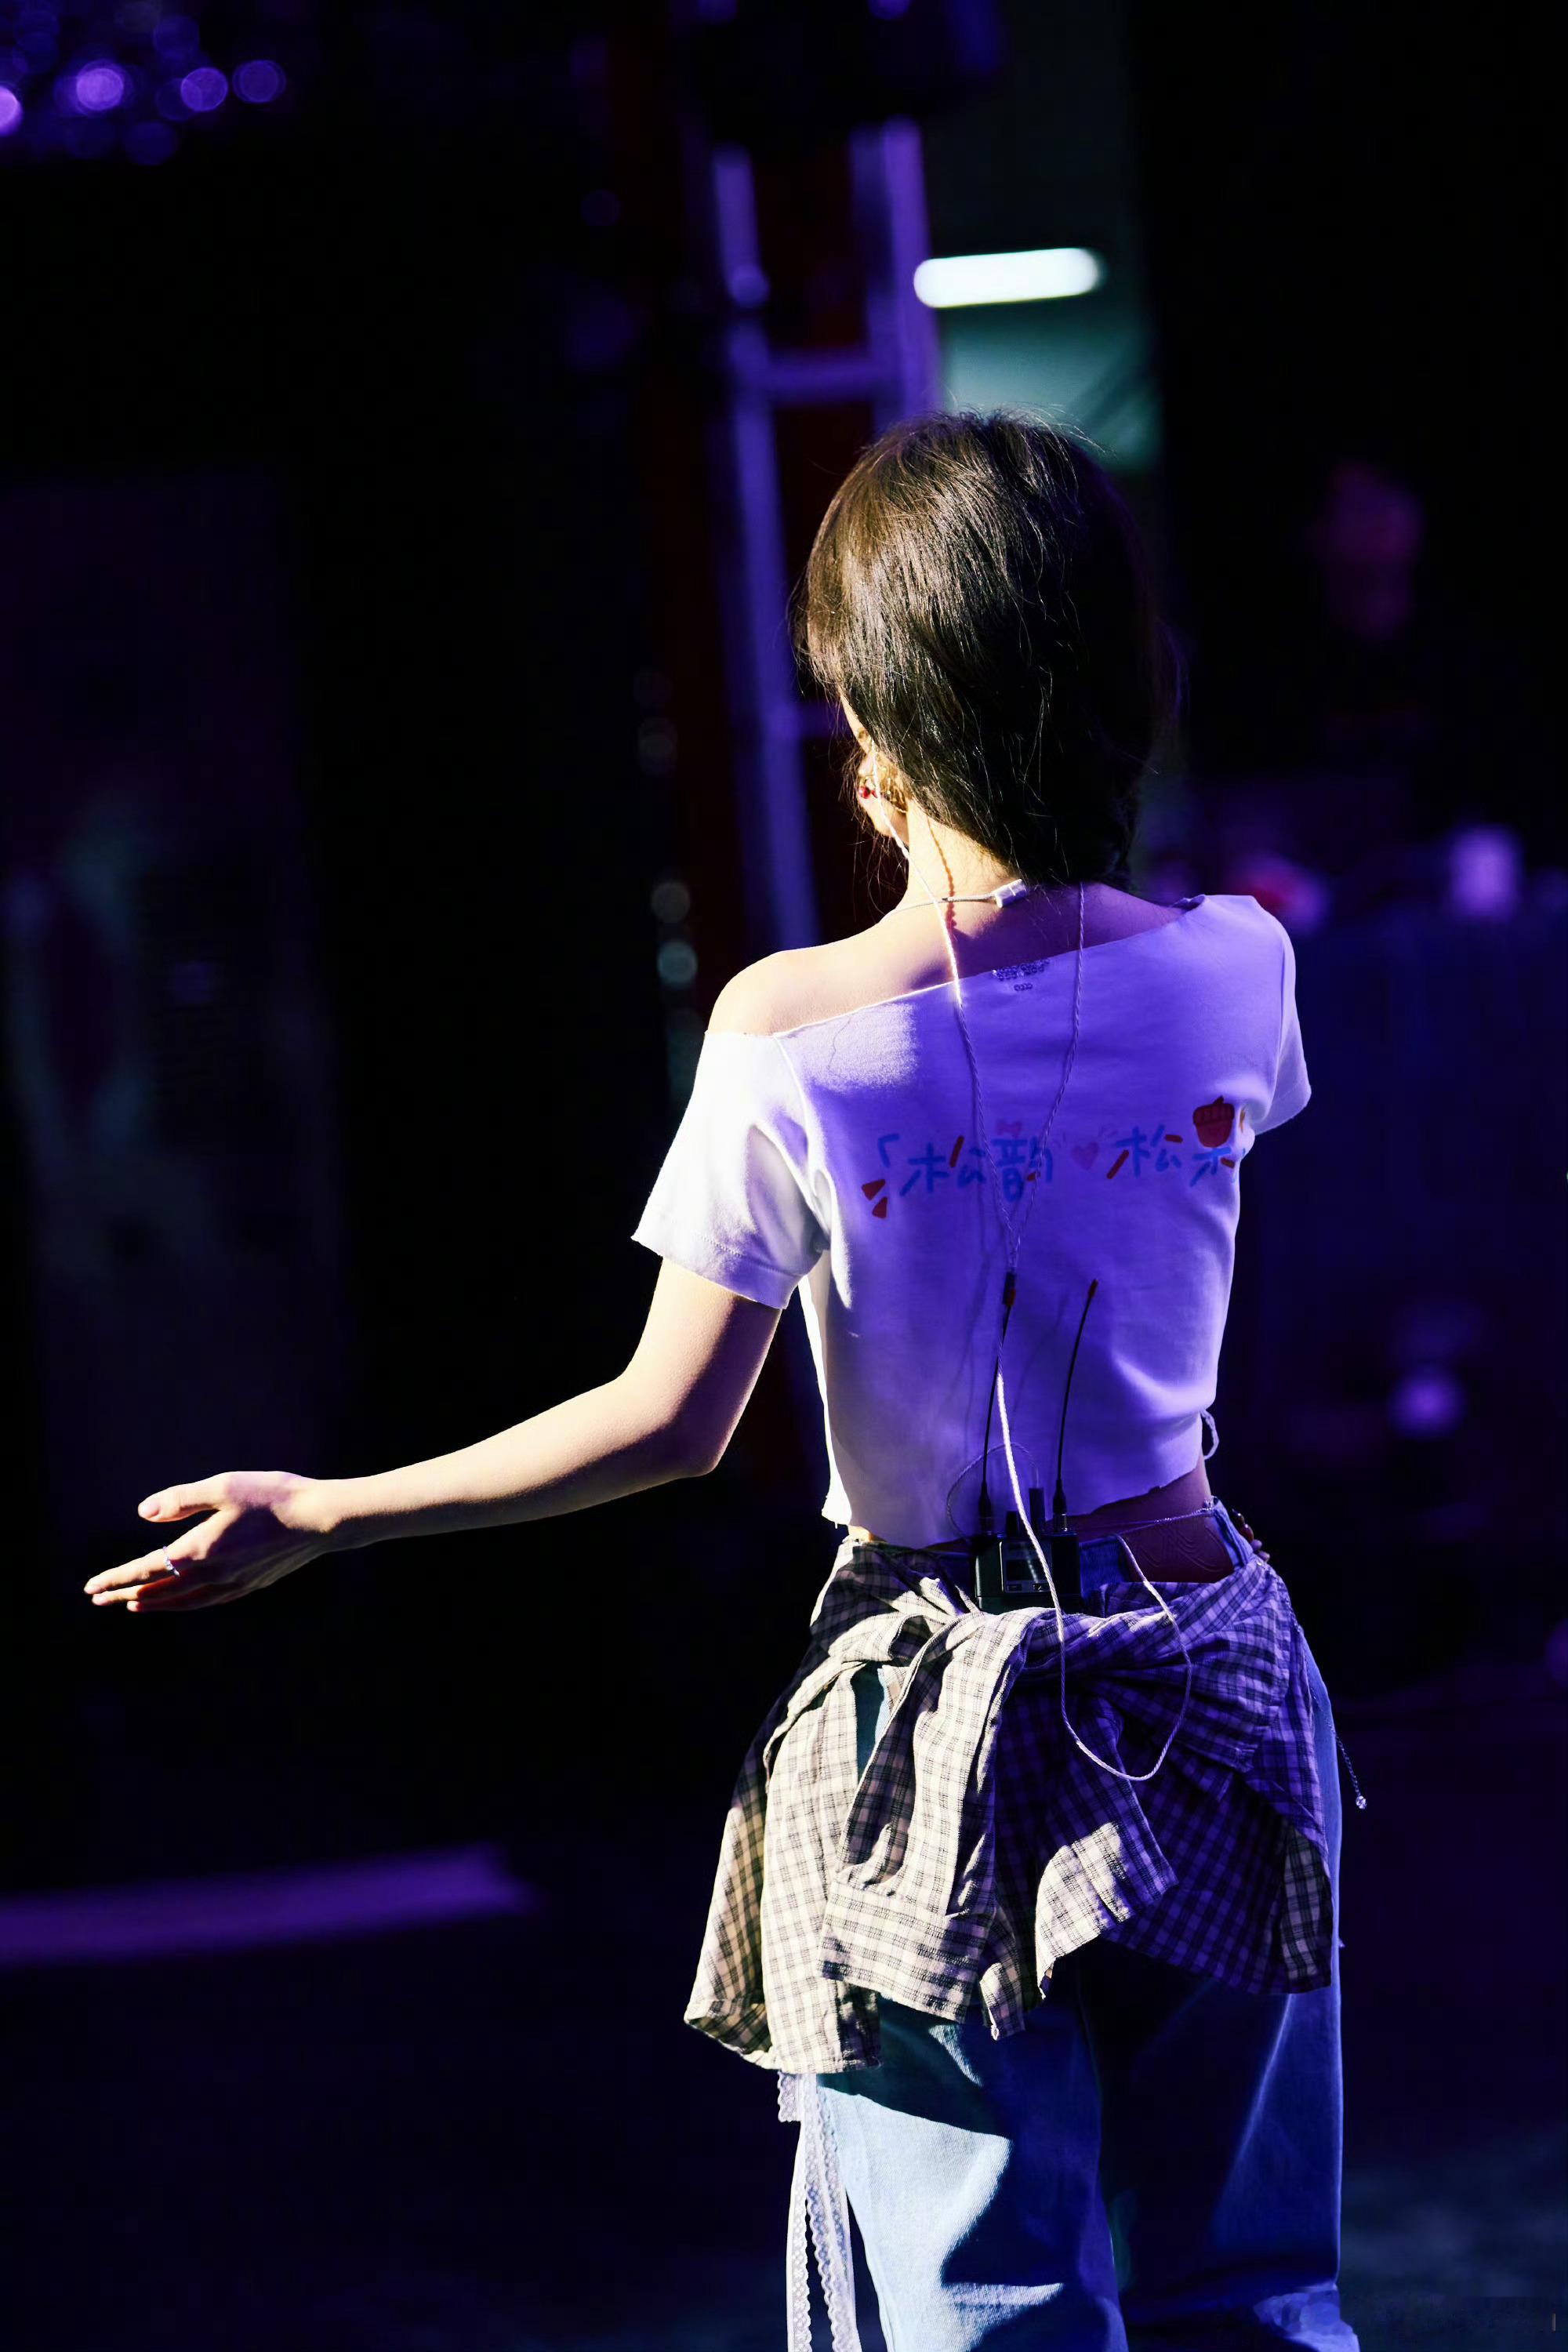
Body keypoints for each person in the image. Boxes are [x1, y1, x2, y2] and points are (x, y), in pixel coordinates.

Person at [84, 412, 1359, 2351]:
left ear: (873, 724)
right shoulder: (1239, 969)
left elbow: (667, 1421)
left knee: (984, 2309)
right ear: (1123, 674)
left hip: (935, 1702)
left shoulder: (790, 1032)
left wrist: (331, 1510)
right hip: (1207, 1657)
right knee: (1253, 2293)